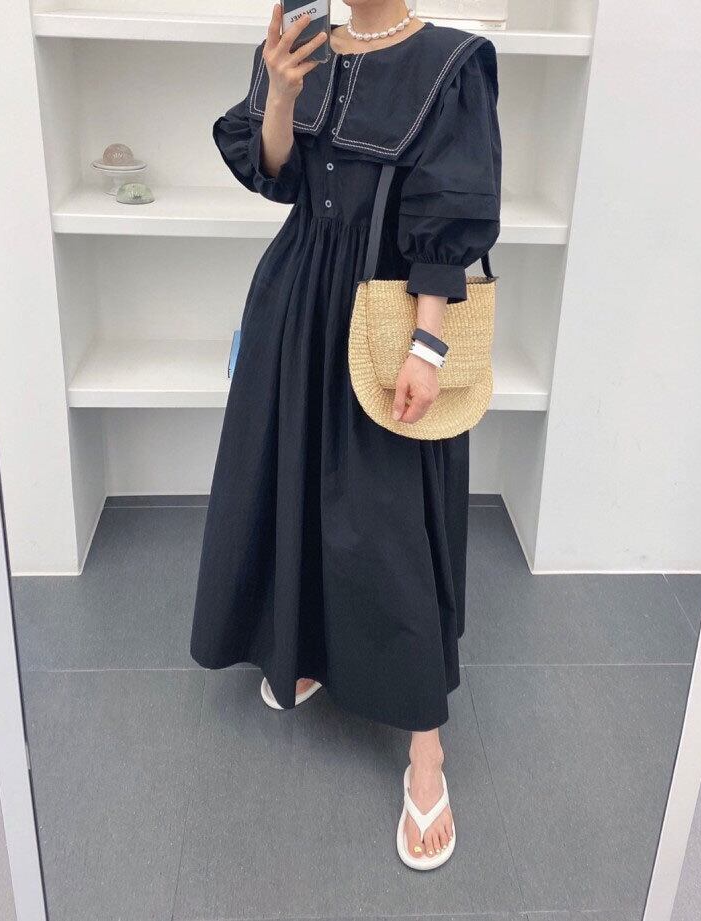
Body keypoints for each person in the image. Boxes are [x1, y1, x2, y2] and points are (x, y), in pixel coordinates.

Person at [191, 0, 501, 870]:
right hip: (296, 301)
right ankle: (303, 648)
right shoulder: (302, 44)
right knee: (288, 477)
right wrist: (282, 95)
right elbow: (277, 176)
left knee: (388, 520)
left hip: (388, 310)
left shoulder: (451, 62)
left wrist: (429, 345)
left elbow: (448, 209)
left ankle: (427, 749)